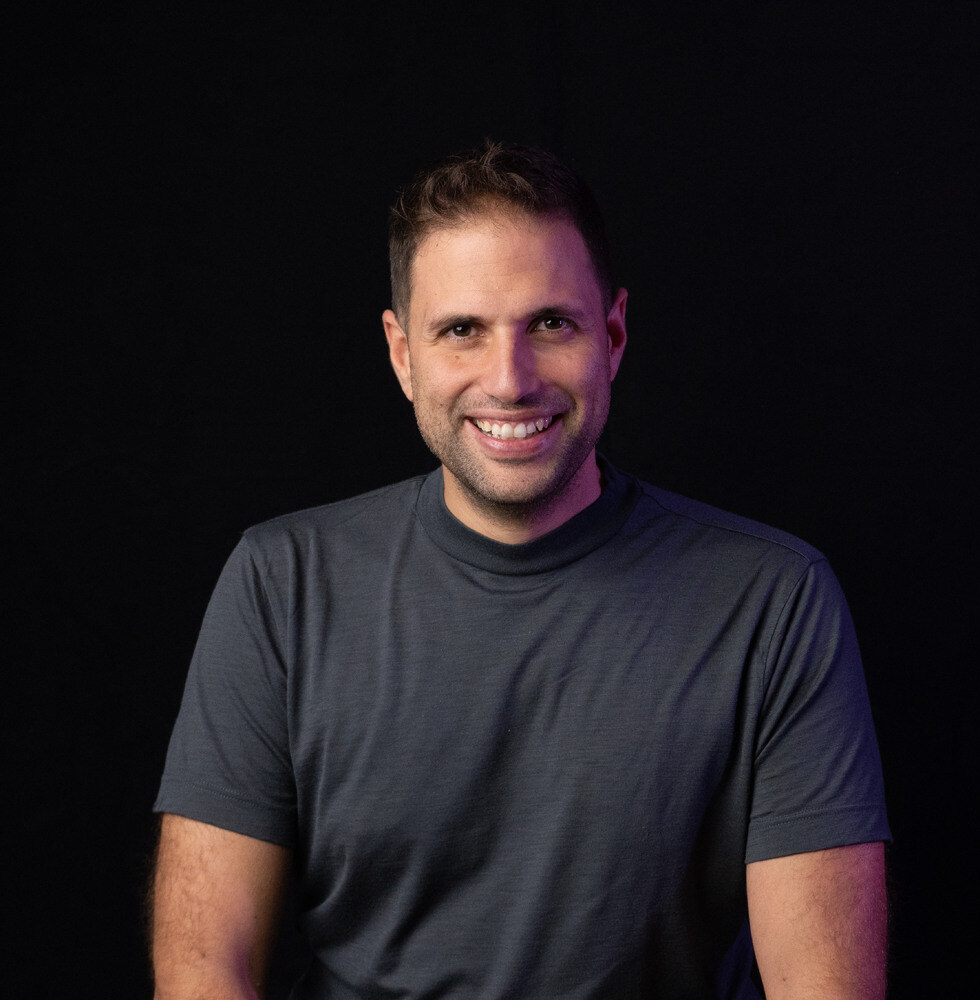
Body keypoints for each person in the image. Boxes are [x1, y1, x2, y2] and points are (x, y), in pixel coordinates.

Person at [150, 140, 890, 1000]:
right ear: (402, 355)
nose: (510, 381)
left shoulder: (772, 601)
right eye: (462, 330)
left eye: (550, 324)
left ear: (612, 334)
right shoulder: (282, 584)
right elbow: (201, 968)